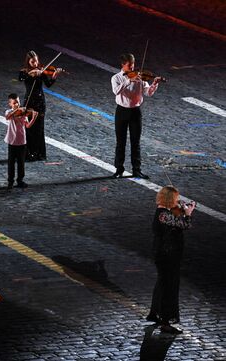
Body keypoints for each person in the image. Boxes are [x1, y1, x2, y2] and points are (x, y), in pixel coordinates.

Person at [146, 186, 196, 334]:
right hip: (168, 255)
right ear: (169, 200)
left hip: (164, 253)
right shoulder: (164, 215)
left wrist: (182, 210)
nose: (178, 201)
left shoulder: (164, 212)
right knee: (169, 287)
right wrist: (188, 214)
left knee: (162, 284)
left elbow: (174, 219)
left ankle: (155, 314)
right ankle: (166, 322)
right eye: (175, 198)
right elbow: (185, 224)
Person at [111, 53, 161, 179]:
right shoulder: (116, 78)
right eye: (130, 66)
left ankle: (136, 169)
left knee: (136, 142)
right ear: (123, 65)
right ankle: (119, 169)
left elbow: (148, 92)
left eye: (133, 66)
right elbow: (116, 91)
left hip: (135, 112)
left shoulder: (140, 78)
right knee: (120, 142)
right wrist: (128, 81)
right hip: (121, 111)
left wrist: (154, 84)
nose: (133, 69)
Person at [19, 51, 63, 161]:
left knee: (39, 128)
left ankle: (38, 153)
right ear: (28, 62)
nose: (35, 63)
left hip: (40, 102)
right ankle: (28, 153)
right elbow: (21, 78)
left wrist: (54, 75)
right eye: (32, 61)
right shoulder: (24, 72)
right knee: (28, 128)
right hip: (29, 102)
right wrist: (31, 73)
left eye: (36, 61)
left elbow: (48, 85)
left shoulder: (41, 71)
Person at [4, 93, 38, 189]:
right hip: (12, 141)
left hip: (22, 141)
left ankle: (20, 180)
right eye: (14, 103)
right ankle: (10, 181)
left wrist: (34, 117)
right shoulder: (8, 112)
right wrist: (16, 111)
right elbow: (8, 117)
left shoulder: (23, 113)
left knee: (21, 163)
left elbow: (27, 126)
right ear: (10, 104)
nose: (17, 105)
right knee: (11, 163)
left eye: (18, 102)